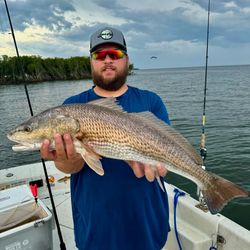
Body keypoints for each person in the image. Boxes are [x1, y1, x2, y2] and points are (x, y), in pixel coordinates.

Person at [40, 27, 170, 250]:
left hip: (147, 221)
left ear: (126, 59)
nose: (107, 60)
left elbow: (167, 153)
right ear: (91, 61)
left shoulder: (151, 102)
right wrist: (66, 158)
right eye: (100, 55)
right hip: (96, 225)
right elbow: (70, 166)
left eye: (115, 54)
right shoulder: (72, 106)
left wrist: (159, 165)